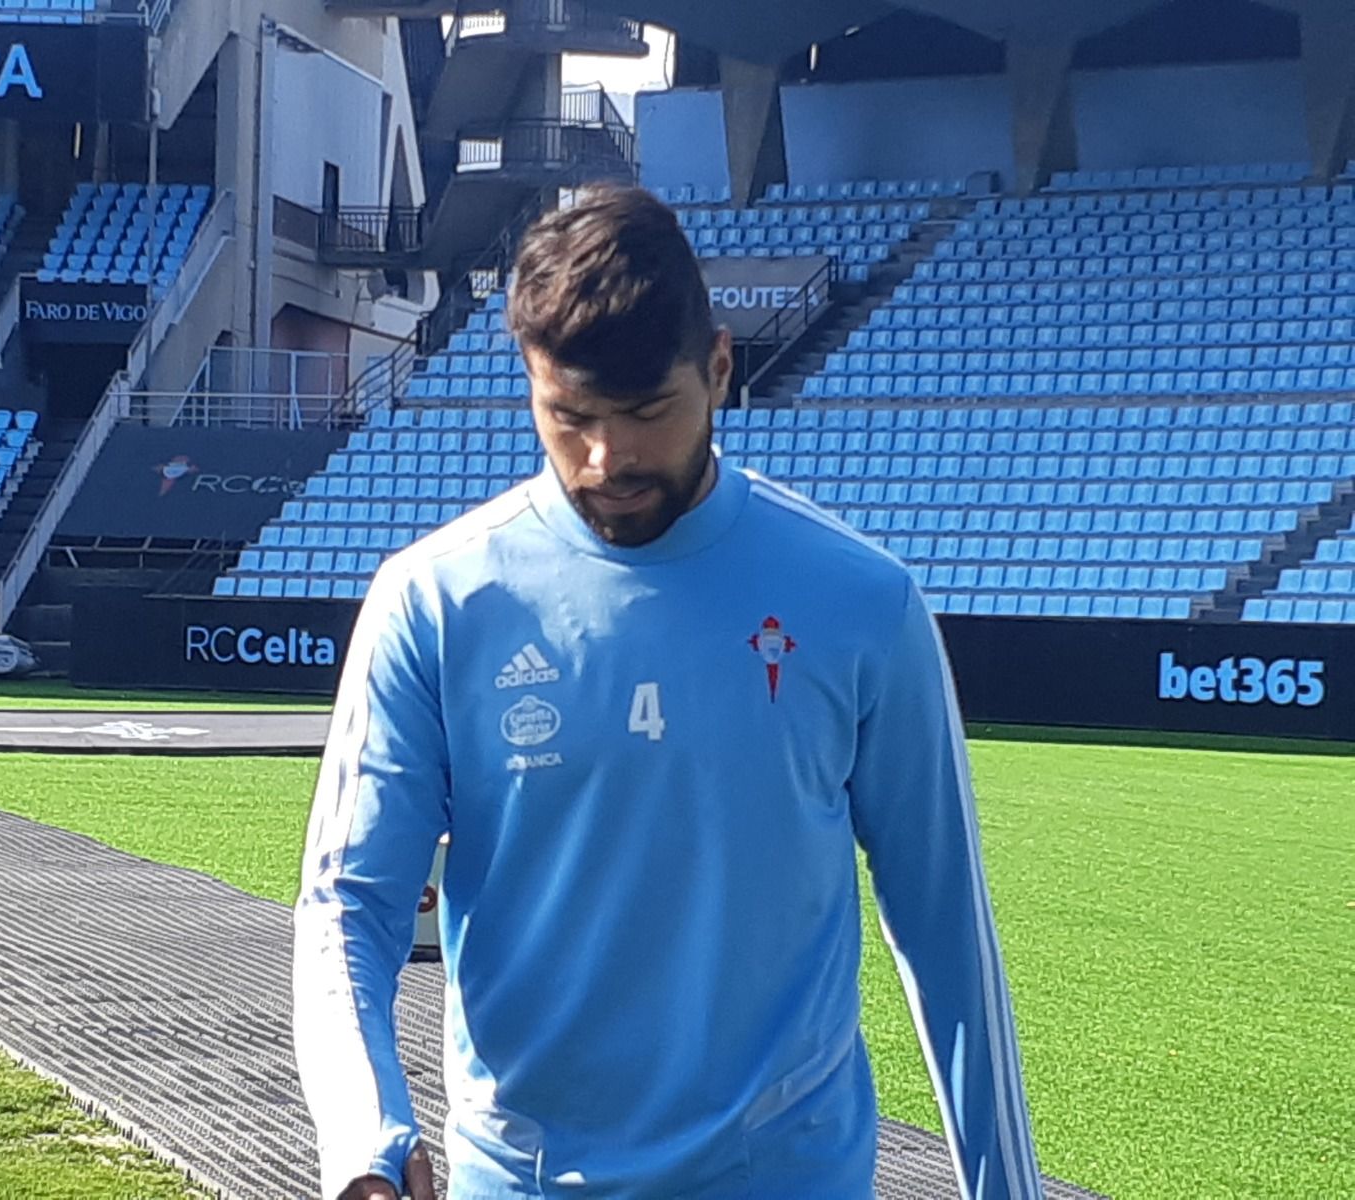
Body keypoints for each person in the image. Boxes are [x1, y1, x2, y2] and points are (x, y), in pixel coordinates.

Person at [293, 185, 1044, 1199]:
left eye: (648, 413)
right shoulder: (434, 602)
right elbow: (350, 904)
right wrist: (363, 1136)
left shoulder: (862, 601)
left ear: (719, 368)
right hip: (524, 1179)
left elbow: (945, 924)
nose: (608, 459)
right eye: (571, 417)